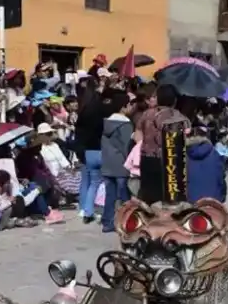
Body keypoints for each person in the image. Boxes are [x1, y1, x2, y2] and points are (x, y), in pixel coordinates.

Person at [134, 84, 191, 205]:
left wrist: (143, 145)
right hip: (171, 162)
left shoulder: (147, 114)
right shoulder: (181, 118)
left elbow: (137, 132)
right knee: (170, 201)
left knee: (149, 198)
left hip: (148, 159)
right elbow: (186, 141)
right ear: (175, 100)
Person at [100, 91, 135, 233]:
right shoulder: (125, 125)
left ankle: (107, 222)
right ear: (123, 107)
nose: (132, 108)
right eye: (130, 105)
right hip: (121, 165)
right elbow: (126, 146)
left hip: (107, 164)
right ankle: (127, 222)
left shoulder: (106, 123)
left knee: (110, 195)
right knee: (125, 196)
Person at [75, 83, 108, 222]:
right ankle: (94, 210)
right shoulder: (100, 112)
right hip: (99, 149)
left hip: (85, 150)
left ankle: (84, 209)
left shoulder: (82, 112)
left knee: (87, 182)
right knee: (99, 182)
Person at [185, 126, 227, 203]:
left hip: (191, 202)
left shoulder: (183, 156)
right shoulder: (215, 154)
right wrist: (222, 197)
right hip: (213, 200)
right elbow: (221, 177)